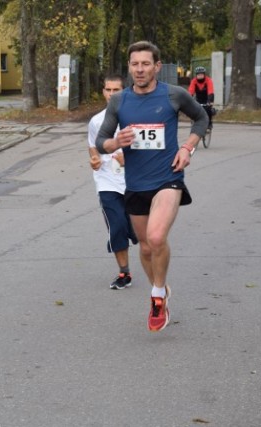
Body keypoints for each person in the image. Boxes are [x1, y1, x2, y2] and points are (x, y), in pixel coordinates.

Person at [95, 41, 208, 332]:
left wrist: (187, 148)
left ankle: (157, 296)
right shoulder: (119, 101)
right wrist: (114, 143)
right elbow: (101, 141)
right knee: (145, 249)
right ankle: (162, 288)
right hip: (135, 184)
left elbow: (201, 117)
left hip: (168, 179)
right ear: (130, 67)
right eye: (135, 64)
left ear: (157, 66)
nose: (140, 69)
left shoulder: (173, 95)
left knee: (156, 238)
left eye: (146, 64)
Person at [87, 75, 138, 290]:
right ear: (103, 92)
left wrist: (129, 159)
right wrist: (95, 161)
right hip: (107, 181)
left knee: (137, 230)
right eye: (108, 89)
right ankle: (124, 273)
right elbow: (92, 149)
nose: (111, 94)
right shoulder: (96, 121)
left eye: (116, 89)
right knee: (116, 225)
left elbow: (149, 150)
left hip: (134, 182)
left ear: (124, 91)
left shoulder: (134, 119)